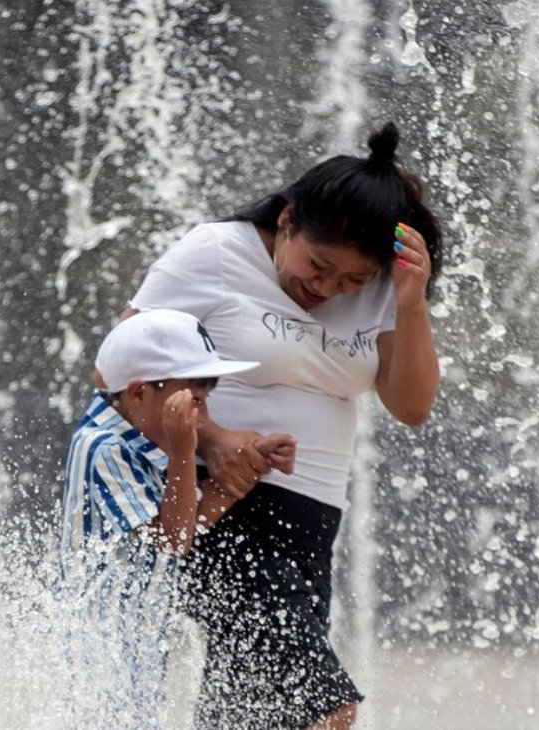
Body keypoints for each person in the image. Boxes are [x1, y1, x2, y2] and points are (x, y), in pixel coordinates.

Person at [124, 121, 443, 729]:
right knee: (325, 707)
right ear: (289, 220)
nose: (326, 289)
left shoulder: (386, 288)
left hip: (310, 522)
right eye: (317, 266)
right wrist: (212, 440)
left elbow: (412, 406)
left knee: (251, 716)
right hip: (215, 503)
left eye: (352, 280)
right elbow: (120, 370)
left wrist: (409, 300)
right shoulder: (218, 252)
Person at [58, 308, 295, 728]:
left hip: (139, 643)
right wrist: (186, 453)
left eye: (206, 396)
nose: (200, 414)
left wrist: (246, 471)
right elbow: (175, 539)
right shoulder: (103, 447)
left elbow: (186, 522)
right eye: (191, 398)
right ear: (137, 394)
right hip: (102, 647)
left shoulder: (139, 439)